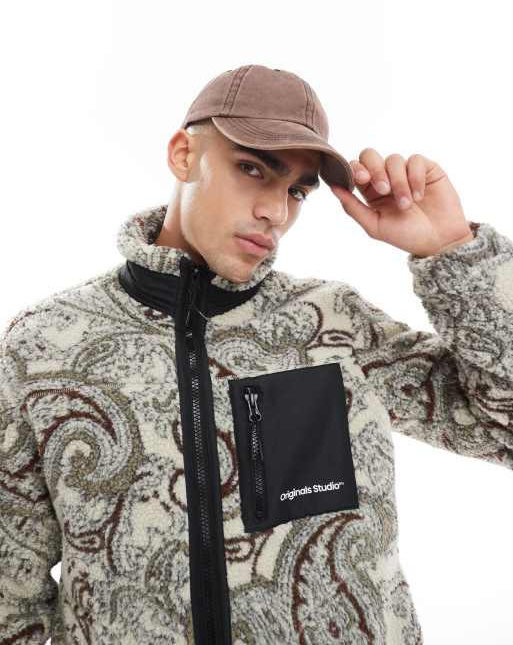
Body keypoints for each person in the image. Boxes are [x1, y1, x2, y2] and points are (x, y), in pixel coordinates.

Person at [1, 63, 511, 645]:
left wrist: (454, 252)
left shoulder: (331, 324)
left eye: (296, 190)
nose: (277, 211)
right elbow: (9, 590)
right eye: (252, 169)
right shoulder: (47, 344)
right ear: (183, 155)